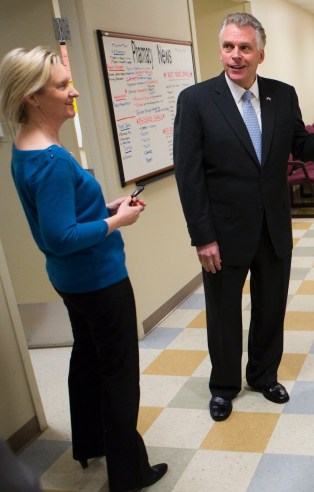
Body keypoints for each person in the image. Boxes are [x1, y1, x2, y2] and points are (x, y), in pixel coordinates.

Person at [0, 47, 167, 491]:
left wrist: (104, 207)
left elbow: (63, 217)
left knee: (89, 358)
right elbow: (60, 236)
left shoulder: (28, 149)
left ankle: (90, 442)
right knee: (118, 374)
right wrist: (117, 221)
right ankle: (128, 474)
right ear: (33, 97)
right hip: (98, 280)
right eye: (61, 85)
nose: (73, 91)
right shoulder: (52, 160)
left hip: (72, 281)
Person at [173, 12, 314, 422]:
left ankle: (264, 375)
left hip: (274, 226)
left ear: (260, 53)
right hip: (223, 234)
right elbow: (189, 176)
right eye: (228, 46)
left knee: (271, 307)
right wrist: (202, 236)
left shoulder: (282, 95)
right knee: (224, 313)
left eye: (245, 47)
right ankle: (224, 386)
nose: (235, 56)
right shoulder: (195, 101)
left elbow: (303, 146)